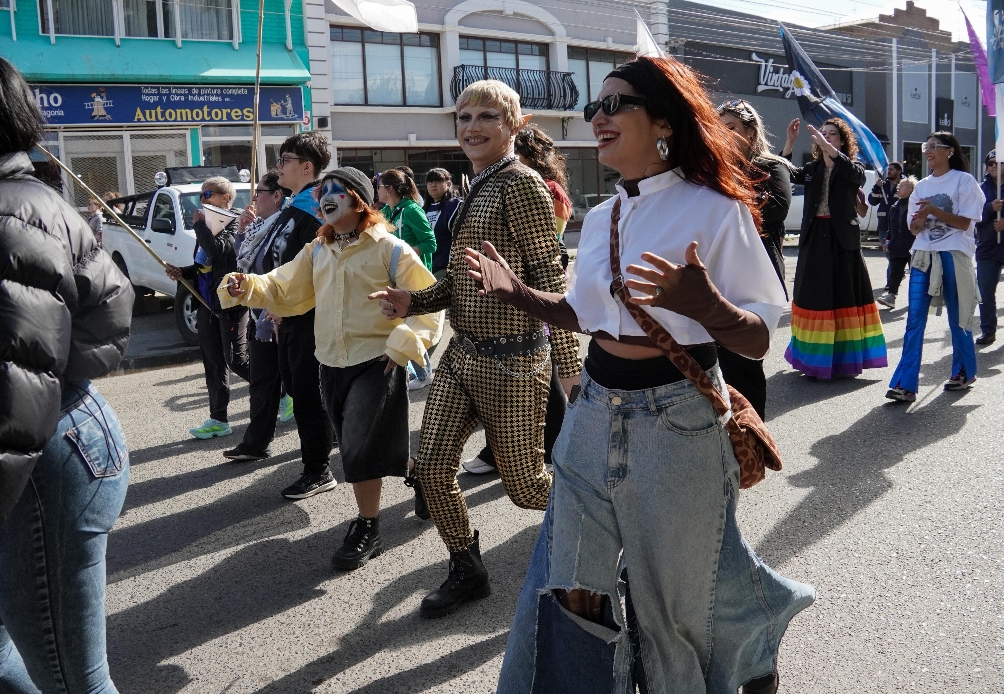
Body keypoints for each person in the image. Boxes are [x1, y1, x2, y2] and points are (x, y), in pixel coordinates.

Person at [463, 56, 812, 694]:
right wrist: (515, 292)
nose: (598, 116)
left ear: (663, 124)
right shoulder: (603, 218)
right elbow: (584, 313)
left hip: (677, 421)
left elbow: (760, 336)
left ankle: (738, 657)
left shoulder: (715, 210)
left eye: (615, 104)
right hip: (591, 412)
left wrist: (709, 309)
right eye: (596, 107)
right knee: (570, 588)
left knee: (671, 607)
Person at [370, 80, 581, 619]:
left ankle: (605, 522)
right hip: (462, 355)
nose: (472, 126)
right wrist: (410, 299)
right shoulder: (475, 187)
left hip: (515, 361)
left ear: (515, 124)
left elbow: (549, 280)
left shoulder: (522, 185)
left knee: (529, 488)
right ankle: (468, 568)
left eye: (487, 115)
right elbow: (458, 283)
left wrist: (569, 369)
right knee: (433, 469)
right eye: (463, 116)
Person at [222, 168, 443, 569]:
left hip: (378, 361)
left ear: (359, 200)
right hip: (330, 362)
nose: (326, 197)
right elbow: (283, 284)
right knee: (365, 444)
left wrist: (400, 347)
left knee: (357, 447)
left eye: (336, 191)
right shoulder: (317, 250)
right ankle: (420, 472)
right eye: (324, 191)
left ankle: (367, 526)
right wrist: (247, 285)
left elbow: (428, 301)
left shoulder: (391, 249)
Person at [0, 56, 134, 693]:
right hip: (68, 429)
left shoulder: (10, 212)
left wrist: (50, 371)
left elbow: (15, 391)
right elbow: (110, 315)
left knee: (72, 680)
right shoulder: (41, 199)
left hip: (32, 456)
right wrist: (62, 368)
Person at [462, 123, 572, 475]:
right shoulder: (503, 181)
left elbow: (541, 253)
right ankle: (520, 448)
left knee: (539, 370)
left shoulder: (537, 186)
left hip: (524, 291)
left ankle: (554, 449)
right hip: (504, 291)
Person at [255, 132, 335, 499]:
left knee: (306, 393)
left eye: (284, 159)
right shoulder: (293, 205)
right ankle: (327, 447)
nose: (278, 167)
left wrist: (286, 302)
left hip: (310, 318)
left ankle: (318, 470)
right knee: (297, 388)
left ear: (307, 167)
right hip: (287, 316)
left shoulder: (318, 208)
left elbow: (317, 271)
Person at [781, 116, 888, 379]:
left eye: (832, 134)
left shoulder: (852, 168)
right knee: (812, 294)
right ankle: (812, 356)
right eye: (824, 133)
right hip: (815, 236)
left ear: (842, 140)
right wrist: (789, 143)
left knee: (844, 295)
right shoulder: (813, 168)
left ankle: (843, 358)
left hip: (842, 240)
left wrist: (831, 152)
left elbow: (856, 175)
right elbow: (785, 173)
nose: (826, 136)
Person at [887, 133, 984, 403]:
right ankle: (905, 385)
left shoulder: (964, 181)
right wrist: (918, 220)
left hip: (954, 253)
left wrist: (932, 211)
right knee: (914, 320)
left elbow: (965, 224)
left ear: (950, 151)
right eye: (925, 147)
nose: (928, 151)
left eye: (933, 147)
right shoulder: (921, 186)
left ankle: (964, 372)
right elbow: (914, 229)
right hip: (923, 256)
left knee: (958, 316)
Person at [716, 98, 792, 419]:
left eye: (731, 128)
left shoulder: (770, 166)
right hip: (721, 275)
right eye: (720, 129)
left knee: (744, 365)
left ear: (750, 130)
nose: (724, 134)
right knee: (717, 365)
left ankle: (752, 440)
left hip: (757, 279)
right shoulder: (716, 170)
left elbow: (775, 208)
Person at [165, 176, 251, 439]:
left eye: (207, 194)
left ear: (225, 198)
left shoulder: (236, 222)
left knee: (236, 360)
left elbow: (219, 251)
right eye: (201, 195)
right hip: (206, 304)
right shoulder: (208, 226)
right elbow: (204, 264)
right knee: (213, 363)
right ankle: (218, 419)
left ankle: (281, 389)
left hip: (230, 304)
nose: (202, 200)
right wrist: (182, 272)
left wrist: (200, 226)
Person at [221, 170, 294, 461]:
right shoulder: (258, 227)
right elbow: (244, 263)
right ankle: (255, 444)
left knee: (304, 386)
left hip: (284, 316)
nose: (254, 200)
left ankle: (329, 444)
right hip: (260, 316)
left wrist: (278, 308)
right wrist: (242, 232)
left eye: (258, 193)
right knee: (262, 382)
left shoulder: (286, 225)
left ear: (277, 196)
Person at [379, 168, 439, 390]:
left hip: (415, 279)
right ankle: (409, 371)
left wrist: (403, 253)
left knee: (412, 326)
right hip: (395, 278)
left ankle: (423, 373)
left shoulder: (412, 210)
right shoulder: (387, 211)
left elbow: (430, 243)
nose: (377, 191)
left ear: (390, 189)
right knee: (397, 324)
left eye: (380, 186)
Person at [975, 149, 1004, 345]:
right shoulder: (979, 189)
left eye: (998, 162)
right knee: (985, 291)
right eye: (990, 163)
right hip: (987, 248)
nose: (993, 166)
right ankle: (988, 330)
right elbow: (971, 216)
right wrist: (988, 208)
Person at [876, 176, 917, 308]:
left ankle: (918, 299)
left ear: (911, 189)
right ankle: (891, 297)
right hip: (897, 246)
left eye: (902, 185)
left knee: (916, 274)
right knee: (895, 273)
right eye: (898, 185)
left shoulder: (916, 204)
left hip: (913, 246)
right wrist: (887, 240)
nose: (898, 187)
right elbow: (891, 228)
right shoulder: (895, 206)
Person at [424, 168, 461, 280]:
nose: (433, 185)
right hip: (427, 265)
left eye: (438, 181)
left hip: (446, 265)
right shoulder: (423, 209)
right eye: (430, 182)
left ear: (448, 184)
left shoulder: (455, 205)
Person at [868, 162, 904, 247]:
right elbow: (872, 201)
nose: (889, 171)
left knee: (897, 249)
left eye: (892, 169)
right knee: (887, 248)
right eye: (888, 169)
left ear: (899, 171)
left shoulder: (904, 185)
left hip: (898, 224)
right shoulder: (882, 186)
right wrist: (876, 187)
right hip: (884, 225)